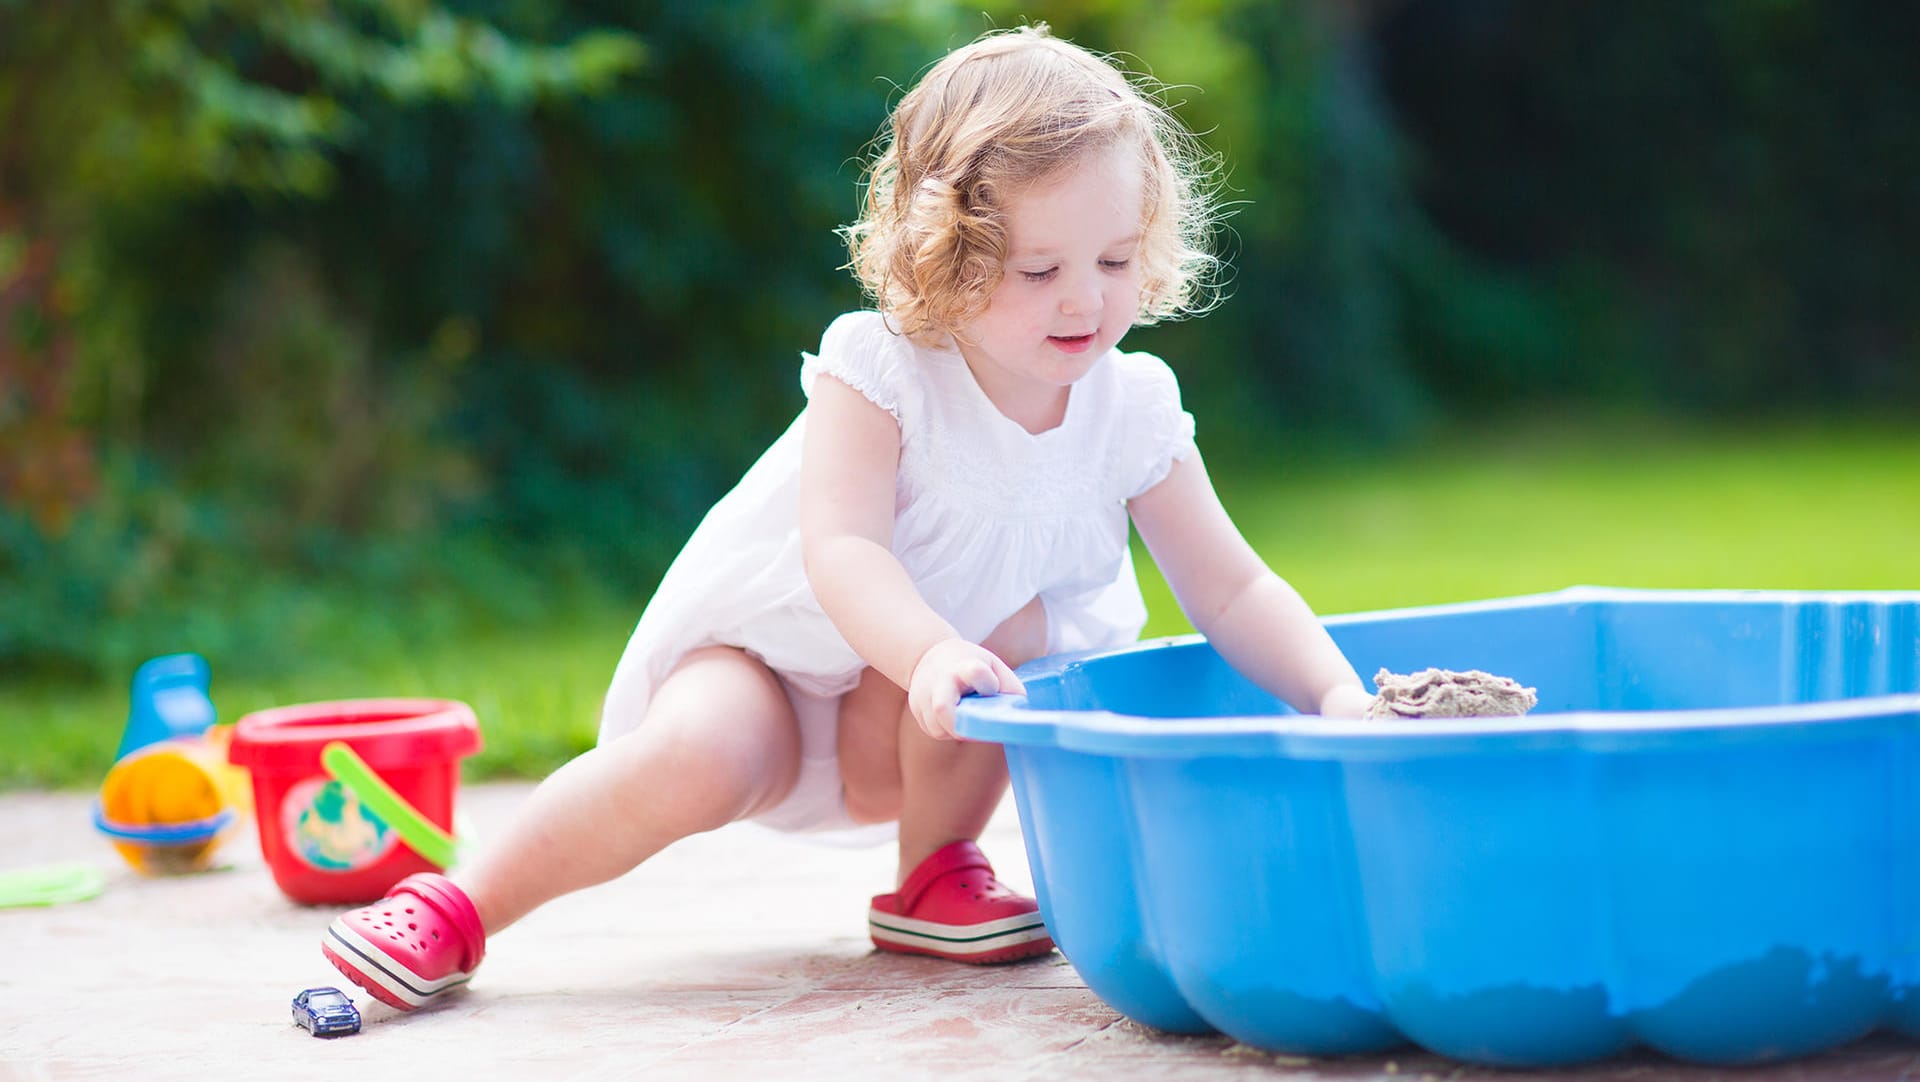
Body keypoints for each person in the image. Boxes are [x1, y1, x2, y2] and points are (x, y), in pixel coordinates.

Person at [319, 23, 1377, 1013]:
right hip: (779, 660)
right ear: (949, 255)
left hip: (921, 723)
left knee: (1010, 629)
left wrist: (1335, 694)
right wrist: (920, 647)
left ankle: (931, 871)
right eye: (1040, 269)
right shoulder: (884, 368)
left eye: (1112, 261)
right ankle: (460, 908)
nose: (1083, 302)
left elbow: (1231, 585)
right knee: (696, 753)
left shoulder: (1131, 405)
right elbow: (842, 545)